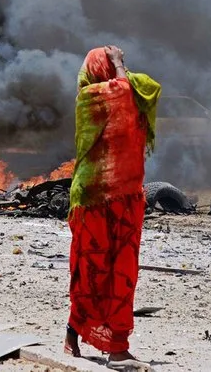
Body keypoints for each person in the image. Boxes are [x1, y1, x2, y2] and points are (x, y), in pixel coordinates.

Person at [65, 45, 161, 370]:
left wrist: (123, 70)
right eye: (110, 65)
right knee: (91, 271)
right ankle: (75, 332)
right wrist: (119, 64)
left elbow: (148, 88)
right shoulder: (90, 97)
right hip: (93, 199)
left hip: (127, 198)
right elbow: (122, 92)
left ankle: (116, 344)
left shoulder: (125, 89)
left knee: (123, 274)